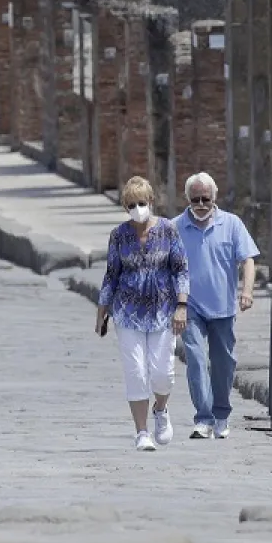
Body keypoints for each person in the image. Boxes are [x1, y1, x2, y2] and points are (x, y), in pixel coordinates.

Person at [97, 176, 190, 452]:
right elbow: (112, 274)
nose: (138, 208)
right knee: (136, 371)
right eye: (131, 204)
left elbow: (181, 269)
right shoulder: (119, 235)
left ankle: (160, 409)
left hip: (163, 311)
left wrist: (182, 306)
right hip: (127, 313)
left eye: (142, 203)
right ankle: (141, 432)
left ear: (151, 202)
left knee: (163, 373)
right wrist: (102, 310)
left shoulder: (168, 230)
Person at [174, 172, 259, 440]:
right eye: (195, 199)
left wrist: (246, 291)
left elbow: (247, 260)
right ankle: (203, 418)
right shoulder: (174, 227)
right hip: (189, 306)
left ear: (215, 198)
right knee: (196, 360)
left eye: (206, 199)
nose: (201, 205)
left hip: (223, 307)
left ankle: (221, 415)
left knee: (223, 364)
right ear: (187, 199)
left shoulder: (232, 224)